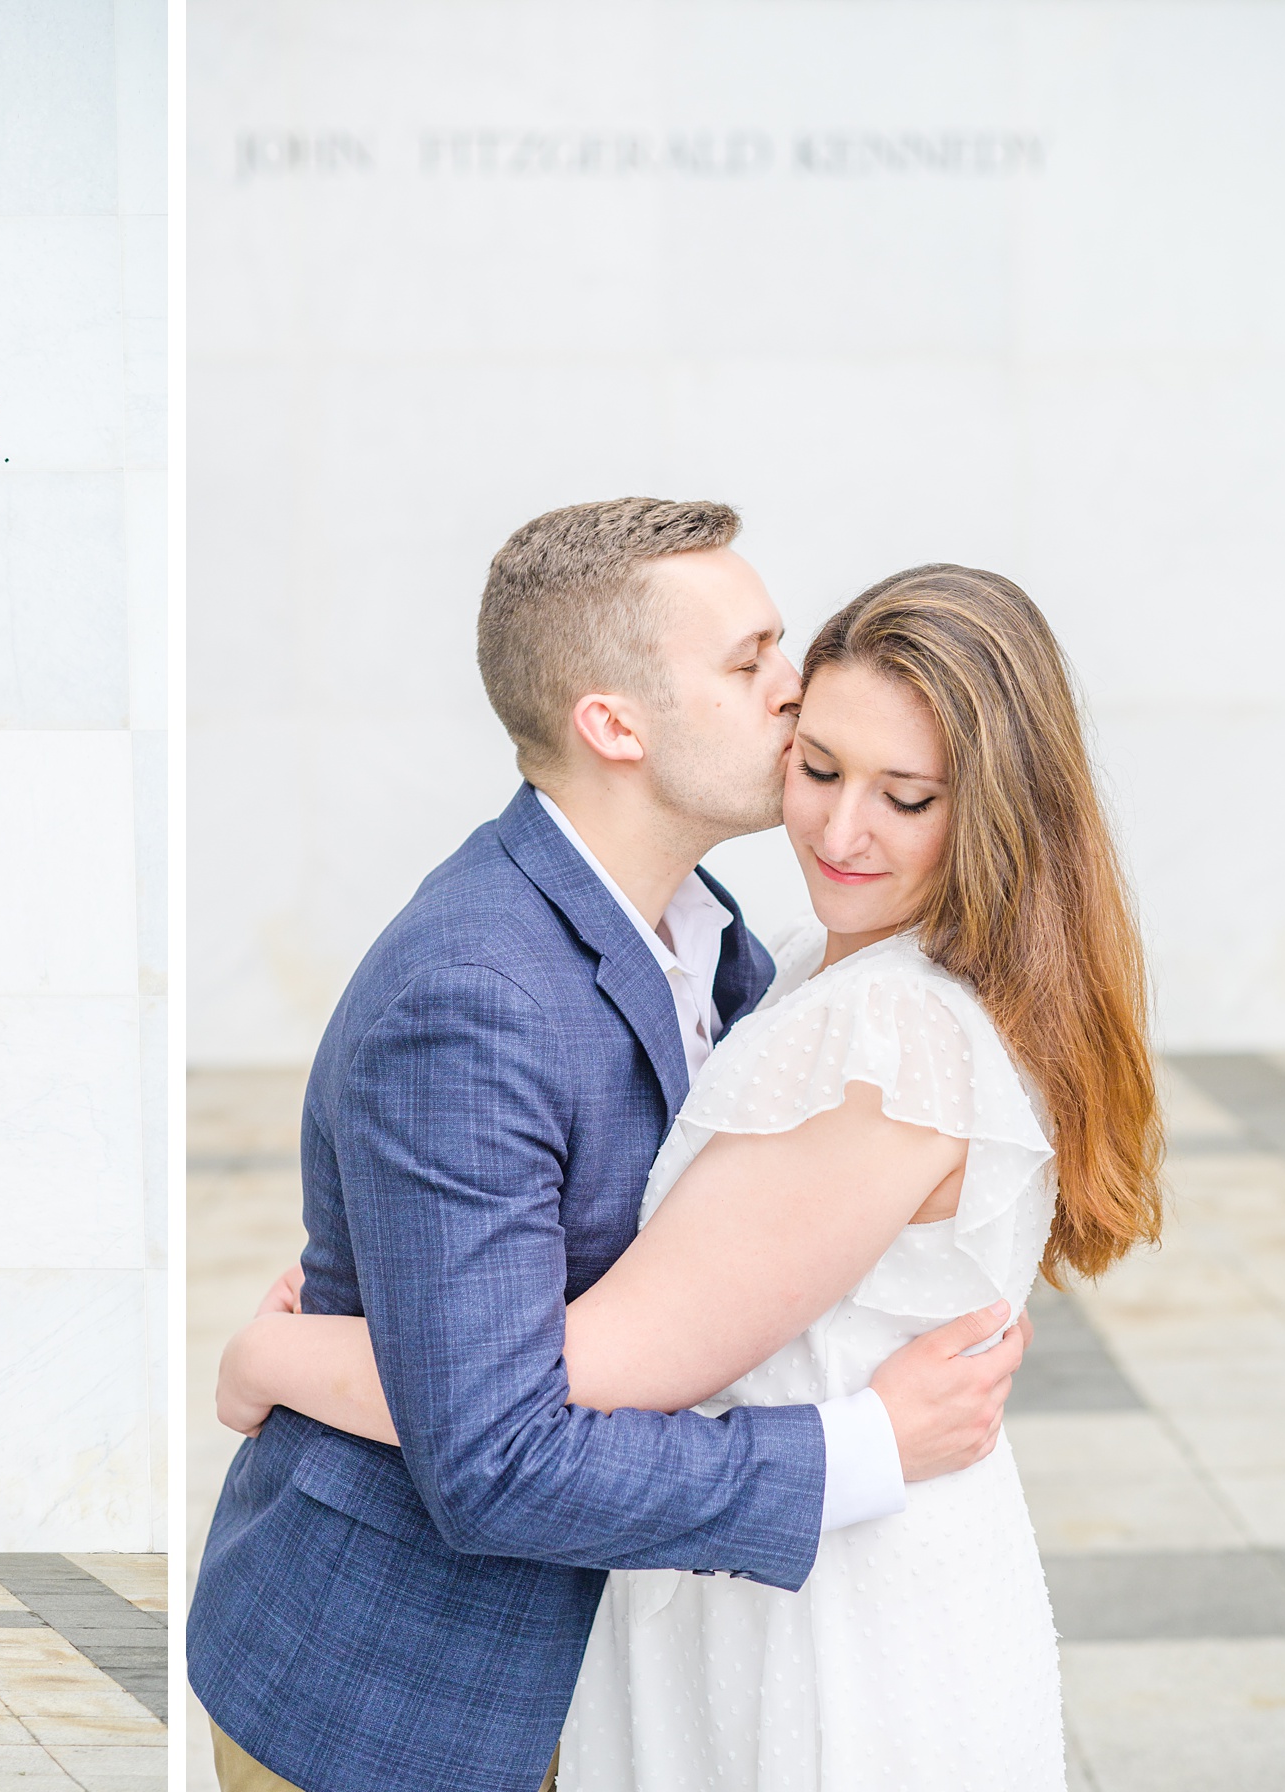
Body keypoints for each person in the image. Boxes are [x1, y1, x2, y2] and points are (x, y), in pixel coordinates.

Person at [218, 556, 1163, 1790]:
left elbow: (541, 1397)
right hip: (768, 1583)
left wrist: (277, 1357)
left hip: (829, 1614)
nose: (838, 825)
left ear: (991, 811)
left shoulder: (888, 1031)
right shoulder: (776, 956)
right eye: (820, 765)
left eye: (907, 796)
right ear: (613, 723)